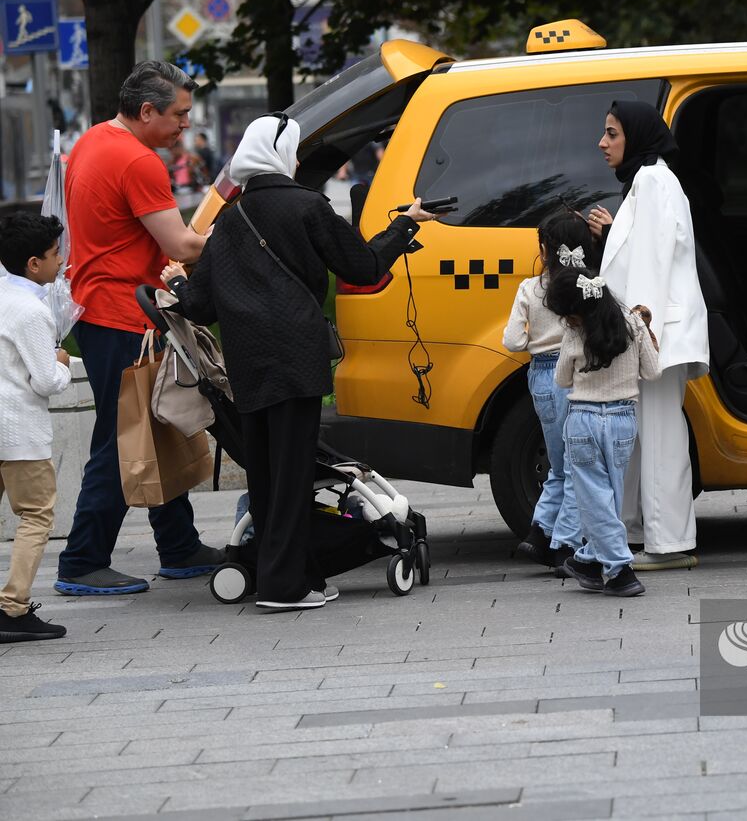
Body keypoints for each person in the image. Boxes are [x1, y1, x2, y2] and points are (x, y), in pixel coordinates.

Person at [161, 114, 437, 611]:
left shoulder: (231, 218)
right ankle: (287, 586)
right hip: (295, 356)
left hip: (247, 364)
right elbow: (364, 266)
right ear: (283, 153)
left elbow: (200, 305)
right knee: (293, 474)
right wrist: (405, 225)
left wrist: (177, 285)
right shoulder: (308, 207)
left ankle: (281, 571)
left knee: (268, 474)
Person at [56, 61, 220, 596]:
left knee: (157, 426)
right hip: (124, 313)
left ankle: (179, 546)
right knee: (121, 438)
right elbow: (181, 246)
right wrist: (240, 243)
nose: (184, 126)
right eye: (178, 115)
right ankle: (82, 560)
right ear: (146, 111)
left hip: (101, 307)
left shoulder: (94, 140)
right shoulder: (138, 161)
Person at [585, 101, 709, 571]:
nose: (603, 142)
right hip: (652, 329)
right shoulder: (647, 179)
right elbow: (643, 254)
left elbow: (655, 262)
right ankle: (643, 532)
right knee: (646, 435)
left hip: (657, 331)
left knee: (658, 436)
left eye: (612, 133)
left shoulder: (654, 180)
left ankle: (670, 543)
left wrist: (642, 334)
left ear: (634, 137)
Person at [548, 266, 660, 597]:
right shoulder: (633, 323)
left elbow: (561, 380)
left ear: (575, 312)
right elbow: (652, 372)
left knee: (594, 499)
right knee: (608, 498)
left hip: (583, 419)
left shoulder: (574, 333)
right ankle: (589, 562)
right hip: (624, 420)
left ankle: (620, 569)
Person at [503, 210, 598, 572]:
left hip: (540, 375)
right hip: (574, 375)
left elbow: (512, 340)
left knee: (558, 465)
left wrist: (534, 341)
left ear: (545, 248)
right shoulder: (588, 284)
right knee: (576, 467)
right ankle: (564, 546)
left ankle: (538, 533)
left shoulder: (529, 288)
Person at [0, 214, 71, 641]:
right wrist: (61, 364)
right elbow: (45, 381)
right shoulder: (31, 310)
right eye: (54, 254)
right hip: (19, 432)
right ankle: (12, 608)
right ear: (33, 263)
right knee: (36, 515)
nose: (60, 261)